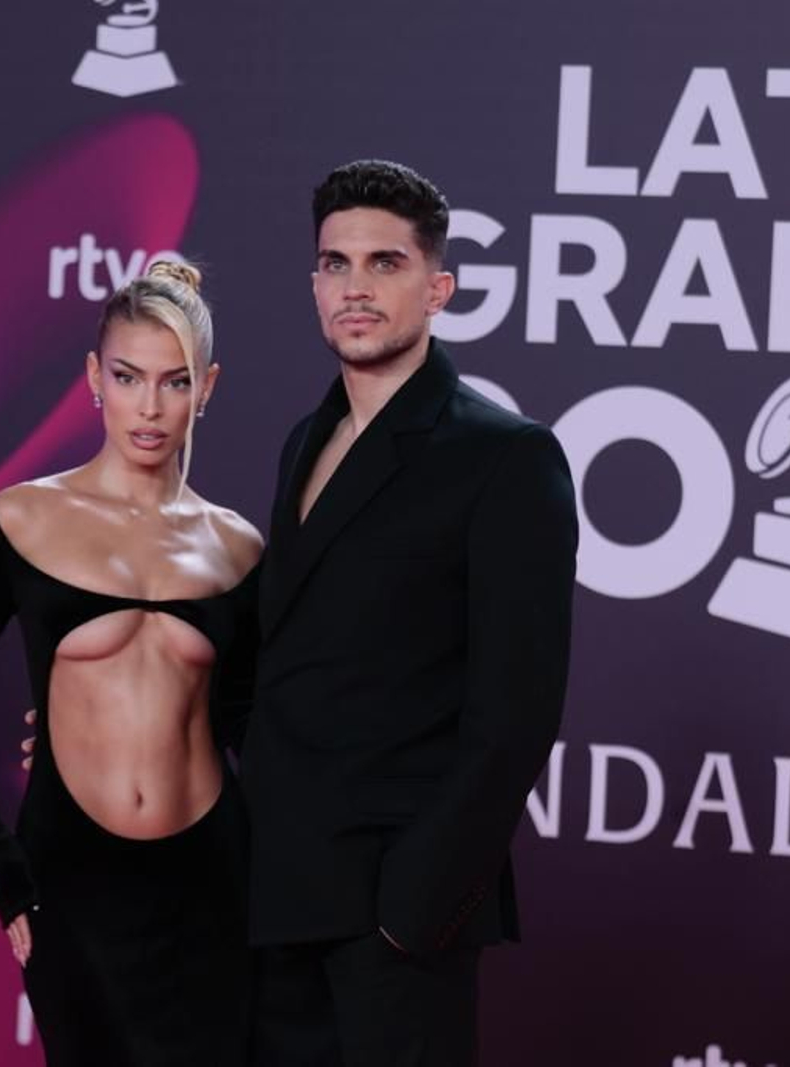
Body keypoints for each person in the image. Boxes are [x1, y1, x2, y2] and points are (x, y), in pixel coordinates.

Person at [242, 160, 578, 1065]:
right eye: (335, 263)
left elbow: (515, 717)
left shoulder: (506, 457)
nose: (355, 287)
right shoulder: (302, 441)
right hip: (273, 898)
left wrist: (412, 913)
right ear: (313, 282)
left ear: (439, 289)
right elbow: (285, 657)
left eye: (384, 263)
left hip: (392, 923)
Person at [0, 262, 260, 1065]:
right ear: (93, 378)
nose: (149, 406)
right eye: (128, 376)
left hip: (212, 878)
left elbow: (249, 719)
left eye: (174, 382)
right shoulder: (21, 516)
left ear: (206, 386)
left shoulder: (239, 545)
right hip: (70, 877)